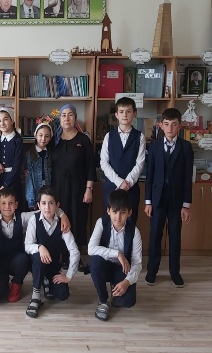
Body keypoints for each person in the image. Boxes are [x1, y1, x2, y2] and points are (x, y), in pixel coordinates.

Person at [0, 187, 71, 303]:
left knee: (23, 259)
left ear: (16, 205)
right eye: (3, 203)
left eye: (11, 203)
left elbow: (44, 210)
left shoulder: (23, 217)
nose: (7, 207)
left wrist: (62, 214)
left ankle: (16, 284)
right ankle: (3, 283)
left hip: (16, 261)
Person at [144, 108, 193, 288]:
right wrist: (148, 201)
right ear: (161, 125)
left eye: (174, 124)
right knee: (155, 236)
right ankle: (152, 271)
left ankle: (175, 272)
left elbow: (187, 177)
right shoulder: (154, 146)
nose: (170, 128)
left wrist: (186, 205)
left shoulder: (186, 147)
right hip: (157, 200)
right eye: (166, 124)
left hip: (176, 200)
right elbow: (150, 175)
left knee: (175, 236)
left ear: (179, 126)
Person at [51, 104, 96, 270]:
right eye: (63, 115)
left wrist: (89, 189)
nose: (67, 118)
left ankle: (75, 258)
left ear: (75, 118)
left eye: (70, 114)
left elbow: (90, 167)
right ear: (59, 119)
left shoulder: (83, 140)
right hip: (58, 190)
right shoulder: (54, 140)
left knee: (77, 222)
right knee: (59, 222)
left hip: (79, 190)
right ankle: (62, 257)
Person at [24, 185, 80, 318]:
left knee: (63, 294)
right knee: (38, 256)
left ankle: (47, 281)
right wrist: (40, 247)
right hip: (37, 264)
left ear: (57, 205)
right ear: (38, 205)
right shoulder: (34, 220)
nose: (47, 207)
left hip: (54, 265)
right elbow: (27, 245)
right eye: (43, 203)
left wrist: (69, 275)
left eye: (51, 203)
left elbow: (74, 250)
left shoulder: (62, 223)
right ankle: (36, 296)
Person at [89, 189, 142, 321]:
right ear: (108, 211)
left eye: (123, 212)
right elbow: (91, 249)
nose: (118, 217)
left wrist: (126, 282)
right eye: (114, 211)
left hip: (122, 269)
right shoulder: (101, 223)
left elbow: (137, 263)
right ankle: (103, 300)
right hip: (105, 265)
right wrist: (117, 253)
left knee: (128, 301)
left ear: (129, 213)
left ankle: (116, 287)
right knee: (94, 261)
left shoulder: (134, 232)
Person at [100, 97, 146, 226]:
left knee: (130, 222)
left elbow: (140, 163)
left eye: (128, 111)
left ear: (134, 113)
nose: (124, 115)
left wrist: (128, 183)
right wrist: (120, 182)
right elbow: (104, 162)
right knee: (109, 223)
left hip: (131, 189)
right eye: (121, 111)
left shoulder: (140, 137)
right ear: (116, 115)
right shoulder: (109, 136)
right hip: (112, 187)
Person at [0, 108, 23, 206]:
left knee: (13, 206)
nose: (2, 123)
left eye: (5, 119)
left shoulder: (18, 140)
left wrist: (5, 185)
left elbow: (17, 165)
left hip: (13, 180)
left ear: (12, 121)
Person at [25, 122, 52, 210]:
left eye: (47, 136)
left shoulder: (51, 153)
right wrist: (31, 200)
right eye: (40, 135)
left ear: (50, 138)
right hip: (35, 190)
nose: (43, 139)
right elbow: (29, 179)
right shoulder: (30, 154)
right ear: (35, 135)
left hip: (48, 189)